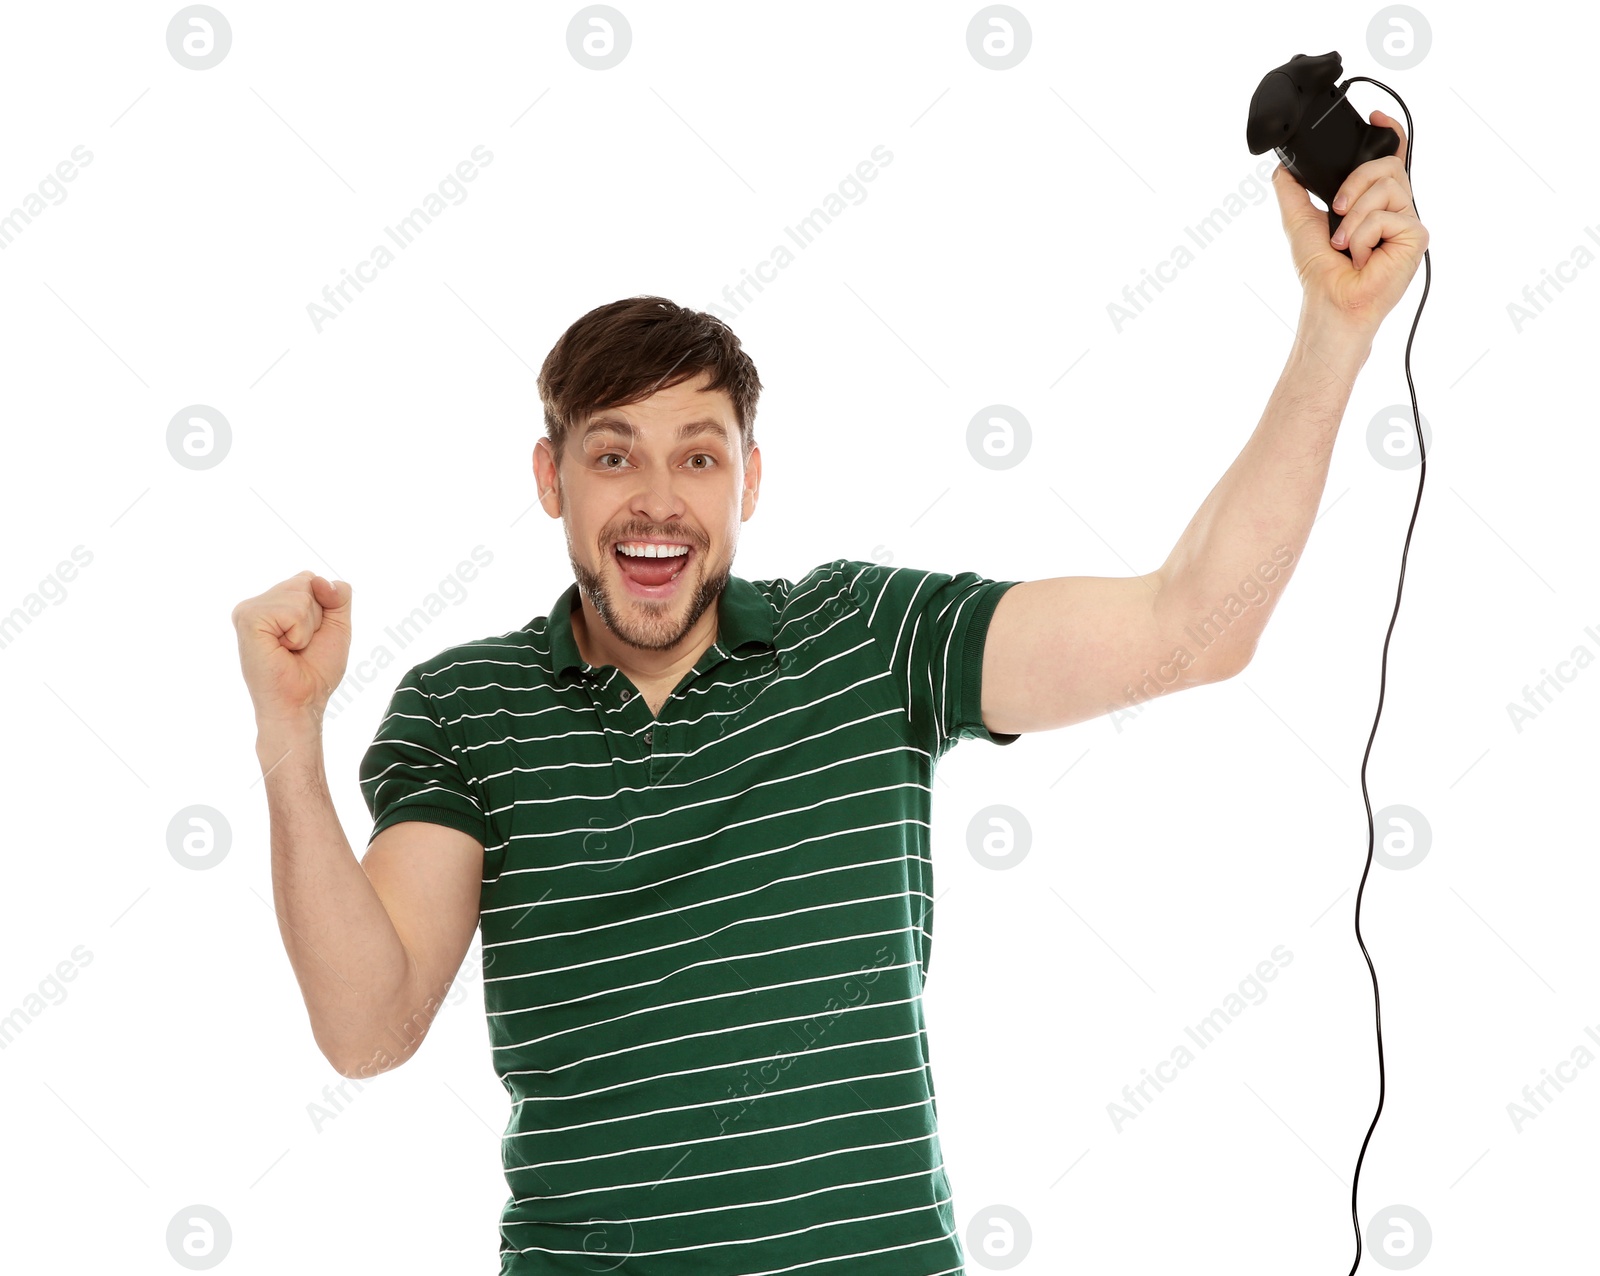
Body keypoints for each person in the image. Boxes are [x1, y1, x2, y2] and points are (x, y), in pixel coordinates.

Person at [231, 115, 1427, 1275]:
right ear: (551, 478)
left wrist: (1335, 330)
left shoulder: (865, 635)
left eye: (697, 454)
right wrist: (290, 740)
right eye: (613, 453)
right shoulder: (465, 706)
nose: (656, 498)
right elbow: (367, 1027)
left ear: (748, 477)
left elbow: (1186, 628)